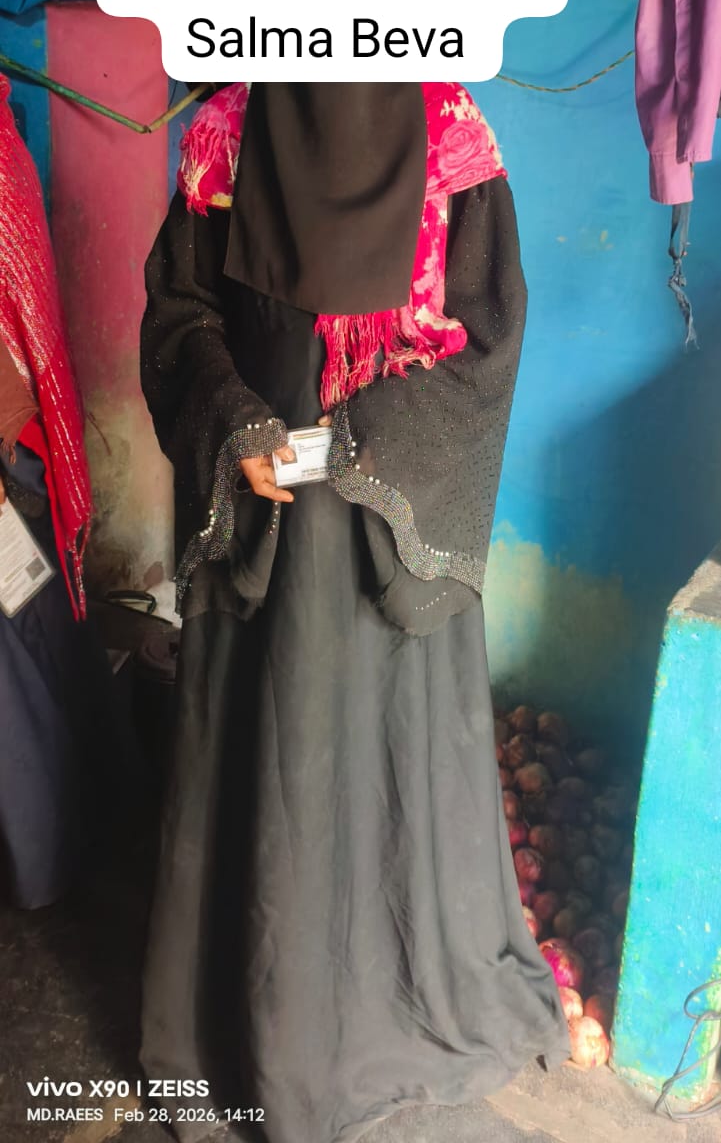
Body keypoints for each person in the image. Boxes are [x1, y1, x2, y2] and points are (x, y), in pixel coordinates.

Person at [139, 81, 568, 1143]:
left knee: (386, 759)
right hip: (263, 518)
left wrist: (361, 447)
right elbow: (182, 314)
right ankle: (252, 1025)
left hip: (387, 522)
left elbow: (487, 336)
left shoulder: (451, 136)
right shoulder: (224, 133)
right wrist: (238, 423)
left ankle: (391, 1008)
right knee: (269, 757)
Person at [0, 74, 127, 908]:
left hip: (9, 451)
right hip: (22, 449)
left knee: (19, 670)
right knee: (39, 640)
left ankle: (48, 860)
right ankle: (86, 829)